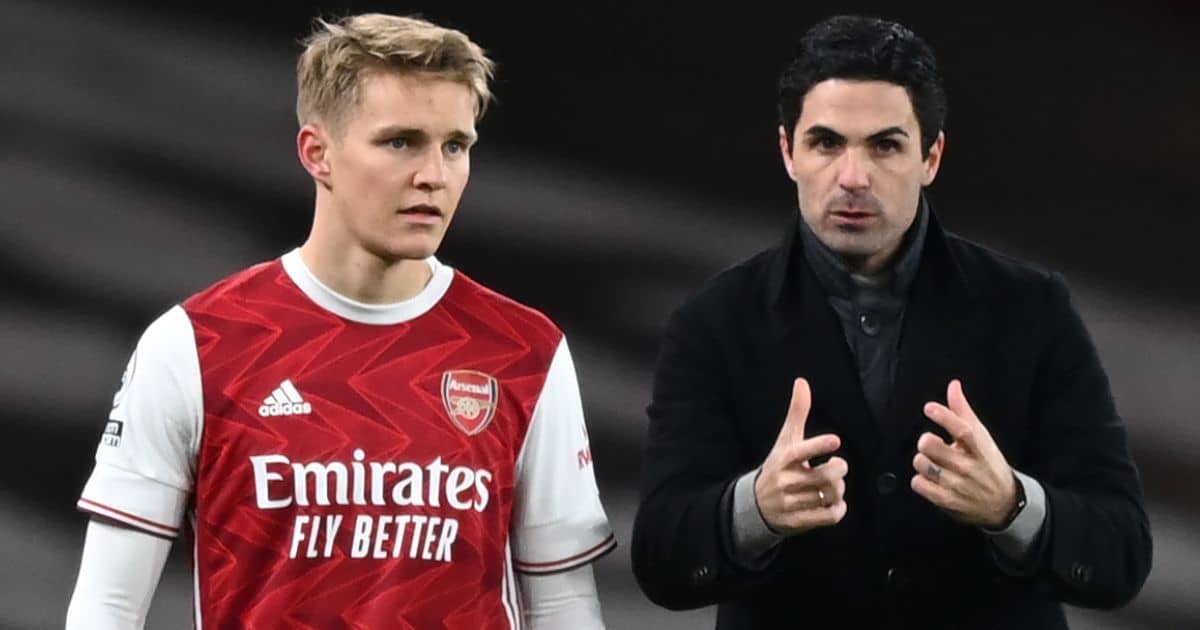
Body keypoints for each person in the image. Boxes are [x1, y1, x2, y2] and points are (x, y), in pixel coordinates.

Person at [65, 13, 615, 629]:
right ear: (317, 153)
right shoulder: (196, 344)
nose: (434, 175)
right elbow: (108, 607)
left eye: (455, 146)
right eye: (401, 142)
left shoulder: (525, 351)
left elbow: (564, 605)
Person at [631, 14, 1151, 629]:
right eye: (827, 143)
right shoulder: (712, 324)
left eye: (885, 145)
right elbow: (661, 558)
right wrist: (755, 510)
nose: (853, 177)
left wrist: (1011, 506)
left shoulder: (1032, 310)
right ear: (788, 152)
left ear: (931, 157)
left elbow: (1122, 552)